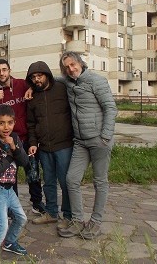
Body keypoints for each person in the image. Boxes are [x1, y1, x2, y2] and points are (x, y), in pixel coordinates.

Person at [56, 51, 118, 240]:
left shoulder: (96, 81)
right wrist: (31, 86)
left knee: (100, 182)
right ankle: (77, 220)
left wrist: (105, 136)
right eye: (66, 67)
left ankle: (95, 222)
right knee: (71, 179)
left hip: (99, 140)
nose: (71, 69)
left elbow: (110, 108)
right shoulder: (68, 81)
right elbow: (52, 78)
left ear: (81, 63)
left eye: (73, 65)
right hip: (80, 142)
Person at [0, 59, 45, 215]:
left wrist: (31, 90)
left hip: (26, 138)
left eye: (4, 70)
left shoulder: (22, 85)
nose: (2, 73)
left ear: (9, 70)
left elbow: (38, 87)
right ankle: (10, 207)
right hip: (6, 139)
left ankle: (37, 203)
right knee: (9, 174)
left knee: (33, 172)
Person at [25, 61, 74, 229]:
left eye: (39, 76)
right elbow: (31, 123)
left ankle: (68, 216)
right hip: (44, 147)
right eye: (33, 77)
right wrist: (32, 143)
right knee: (49, 182)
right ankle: (52, 213)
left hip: (64, 145)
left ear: (47, 75)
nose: (37, 80)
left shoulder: (62, 89)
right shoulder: (32, 97)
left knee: (66, 182)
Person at [0, 104, 29, 263]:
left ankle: (9, 242)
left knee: (21, 218)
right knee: (1, 226)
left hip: (9, 189)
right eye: (1, 123)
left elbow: (24, 161)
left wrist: (14, 148)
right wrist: (10, 156)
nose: (6, 127)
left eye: (10, 122)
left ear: (14, 123)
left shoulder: (15, 138)